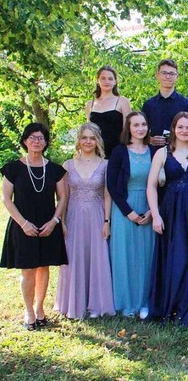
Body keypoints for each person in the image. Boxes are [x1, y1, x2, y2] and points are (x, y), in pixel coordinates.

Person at [147, 112, 188, 326]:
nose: (185, 131)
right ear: (174, 128)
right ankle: (173, 304)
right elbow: (151, 186)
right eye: (181, 127)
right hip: (171, 210)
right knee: (176, 256)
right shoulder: (162, 153)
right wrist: (155, 215)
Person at [1, 123, 67, 330]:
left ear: (46, 142)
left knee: (43, 267)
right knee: (28, 270)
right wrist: (23, 223)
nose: (37, 141)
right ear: (25, 141)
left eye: (41, 138)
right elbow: (6, 199)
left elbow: (63, 197)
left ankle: (40, 308)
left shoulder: (56, 170)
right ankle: (29, 311)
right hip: (23, 225)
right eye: (32, 137)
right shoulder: (13, 168)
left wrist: (54, 222)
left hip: (48, 224)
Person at [55, 123, 114, 319]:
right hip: (73, 216)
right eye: (84, 138)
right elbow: (63, 196)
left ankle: (97, 303)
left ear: (97, 141)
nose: (88, 141)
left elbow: (107, 195)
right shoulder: (68, 165)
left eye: (92, 138)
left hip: (97, 215)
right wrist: (61, 222)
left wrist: (107, 221)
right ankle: (73, 302)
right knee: (75, 257)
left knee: (97, 257)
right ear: (78, 141)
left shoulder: (105, 164)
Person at [107, 112, 155, 318]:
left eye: (143, 124)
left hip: (149, 206)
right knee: (125, 256)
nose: (140, 128)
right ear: (129, 128)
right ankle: (125, 303)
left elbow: (161, 183)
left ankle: (144, 302)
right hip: (124, 209)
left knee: (147, 256)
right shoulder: (119, 152)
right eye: (136, 125)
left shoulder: (155, 151)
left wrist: (154, 210)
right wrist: (130, 213)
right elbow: (111, 186)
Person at [142, 59, 188, 148]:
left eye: (172, 74)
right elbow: (140, 131)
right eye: (164, 73)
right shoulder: (148, 105)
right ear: (157, 75)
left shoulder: (187, 105)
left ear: (177, 76)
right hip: (153, 155)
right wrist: (149, 139)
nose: (168, 77)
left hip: (179, 155)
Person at [85, 66, 132, 158]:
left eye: (110, 79)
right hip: (95, 153)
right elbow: (88, 132)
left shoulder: (122, 101)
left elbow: (128, 131)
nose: (107, 81)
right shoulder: (90, 104)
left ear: (115, 82)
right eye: (103, 78)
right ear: (98, 81)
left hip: (117, 152)